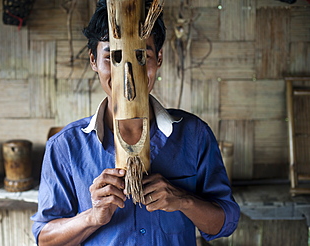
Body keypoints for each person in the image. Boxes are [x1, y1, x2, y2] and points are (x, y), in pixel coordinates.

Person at [31, 1, 240, 245]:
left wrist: (182, 200)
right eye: (114, 57)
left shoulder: (193, 135)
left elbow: (225, 223)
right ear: (94, 61)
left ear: (158, 58)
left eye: (142, 56)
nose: (127, 74)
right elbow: (45, 239)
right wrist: (92, 216)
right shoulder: (65, 147)